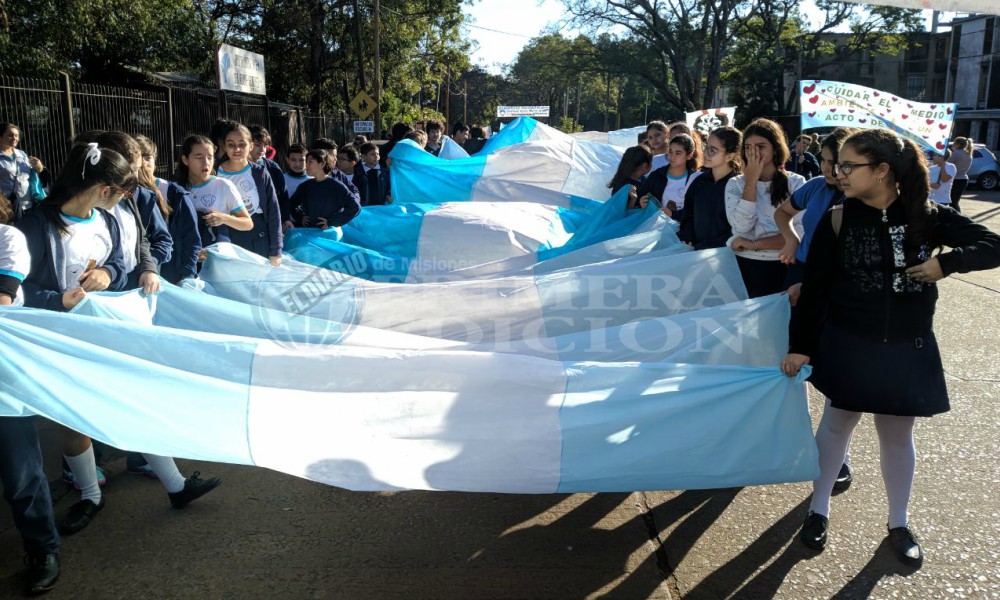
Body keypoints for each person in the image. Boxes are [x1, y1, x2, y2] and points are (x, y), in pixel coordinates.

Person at [781, 128, 1000, 566]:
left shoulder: (928, 214)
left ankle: (898, 522)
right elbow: (817, 289)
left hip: (906, 345)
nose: (838, 173)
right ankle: (818, 509)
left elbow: (993, 244)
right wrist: (801, 347)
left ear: (881, 171)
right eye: (837, 164)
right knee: (836, 426)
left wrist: (947, 263)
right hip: (849, 342)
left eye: (848, 165)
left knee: (897, 437)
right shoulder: (837, 218)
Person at [775, 127, 857, 492]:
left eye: (833, 162)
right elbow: (784, 213)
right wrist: (792, 239)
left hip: (833, 288)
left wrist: (812, 286)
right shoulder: (816, 188)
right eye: (822, 160)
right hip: (802, 276)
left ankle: (838, 455)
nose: (825, 168)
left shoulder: (861, 200)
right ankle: (804, 437)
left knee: (833, 368)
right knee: (799, 357)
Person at [0, 192, 61, 595]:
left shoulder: (8, 238)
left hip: (5, 376)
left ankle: (43, 548)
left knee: (21, 472)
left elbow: (4, 293)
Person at [725, 118, 806, 298]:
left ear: (775, 148)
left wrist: (753, 244)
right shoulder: (735, 184)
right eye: (748, 147)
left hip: (782, 265)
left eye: (761, 146)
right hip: (743, 264)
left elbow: (797, 234)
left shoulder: (796, 183)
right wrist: (751, 181)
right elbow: (741, 226)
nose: (754, 153)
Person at [136, 135, 201, 285]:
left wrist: (187, 276)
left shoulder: (174, 193)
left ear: (155, 161)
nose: (143, 163)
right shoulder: (124, 194)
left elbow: (191, 239)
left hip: (174, 276)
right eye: (138, 157)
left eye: (148, 157)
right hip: (141, 277)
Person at [216, 121, 283, 265]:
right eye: (231, 144)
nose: (237, 149)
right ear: (224, 146)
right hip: (226, 238)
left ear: (250, 146)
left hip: (258, 238)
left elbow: (273, 211)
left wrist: (276, 250)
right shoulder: (215, 173)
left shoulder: (260, 173)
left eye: (242, 144)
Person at [174, 135, 253, 253]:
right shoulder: (175, 189)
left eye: (210, 157)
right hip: (186, 259)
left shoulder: (224, 185)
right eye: (199, 157)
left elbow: (248, 223)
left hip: (218, 260)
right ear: (185, 160)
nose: (206, 162)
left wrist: (223, 218)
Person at [678, 126, 741, 250]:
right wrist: (687, 236)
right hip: (697, 253)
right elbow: (688, 214)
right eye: (706, 147)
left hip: (727, 255)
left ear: (730, 156)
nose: (705, 153)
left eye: (712, 150)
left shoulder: (739, 186)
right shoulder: (699, 182)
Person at [289, 149, 361, 230]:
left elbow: (355, 207)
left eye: (310, 162)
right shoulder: (305, 186)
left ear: (322, 164)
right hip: (309, 234)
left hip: (329, 235)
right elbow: (291, 204)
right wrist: (301, 217)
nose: (306, 165)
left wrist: (332, 222)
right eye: (307, 162)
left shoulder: (336, 186)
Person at [637, 133, 701, 221]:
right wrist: (641, 202)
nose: (672, 156)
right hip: (655, 229)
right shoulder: (656, 176)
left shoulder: (695, 179)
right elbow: (641, 198)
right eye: (670, 151)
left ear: (689, 155)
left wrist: (673, 214)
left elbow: (696, 212)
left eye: (678, 153)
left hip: (683, 232)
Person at [0, 122, 47, 222]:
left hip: (28, 205)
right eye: (10, 135)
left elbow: (33, 175)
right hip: (6, 209)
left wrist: (39, 168)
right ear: (0, 136)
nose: (15, 138)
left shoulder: (22, 154)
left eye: (16, 135)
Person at [608, 144, 653, 209]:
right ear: (645, 166)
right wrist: (635, 202)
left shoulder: (641, 179)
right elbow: (620, 213)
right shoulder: (624, 187)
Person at [948, 138, 973, 213]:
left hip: (955, 179)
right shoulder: (968, 154)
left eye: (954, 143)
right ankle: (957, 218)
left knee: (952, 202)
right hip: (963, 179)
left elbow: (947, 164)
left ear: (958, 144)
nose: (953, 145)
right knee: (955, 202)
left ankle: (957, 219)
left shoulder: (955, 153)